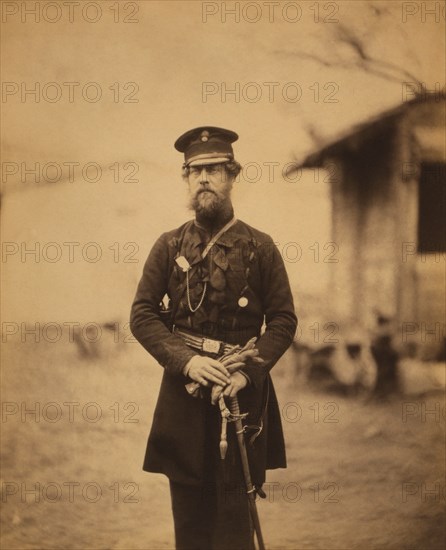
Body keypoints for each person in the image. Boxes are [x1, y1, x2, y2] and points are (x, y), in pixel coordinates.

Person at [130, 126, 297, 550]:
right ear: (186, 178)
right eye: (195, 171)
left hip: (240, 392)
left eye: (214, 170)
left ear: (232, 174)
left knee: (234, 518)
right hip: (184, 391)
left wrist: (248, 374)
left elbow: (282, 320)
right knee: (189, 516)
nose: (203, 179)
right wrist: (186, 361)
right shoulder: (168, 246)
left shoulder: (261, 247)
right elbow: (143, 315)